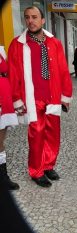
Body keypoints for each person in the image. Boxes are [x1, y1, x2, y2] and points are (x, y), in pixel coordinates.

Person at [7, 6, 73, 187]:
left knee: (53, 134)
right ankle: (36, 171)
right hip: (32, 98)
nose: (31, 21)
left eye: (35, 17)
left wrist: (66, 94)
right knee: (36, 135)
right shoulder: (17, 44)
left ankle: (48, 165)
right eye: (27, 17)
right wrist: (16, 99)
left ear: (43, 20)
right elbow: (13, 75)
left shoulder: (54, 43)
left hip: (52, 96)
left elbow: (63, 70)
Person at [0, 46, 19, 190]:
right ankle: (3, 177)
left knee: (2, 137)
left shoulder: (1, 50)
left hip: (4, 98)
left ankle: (2, 176)